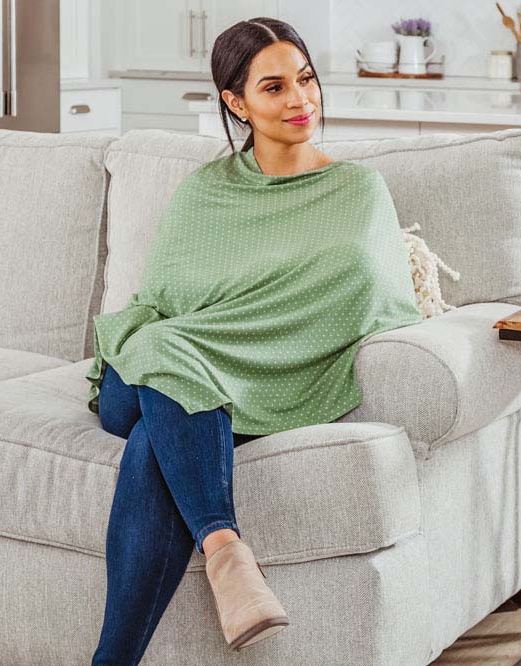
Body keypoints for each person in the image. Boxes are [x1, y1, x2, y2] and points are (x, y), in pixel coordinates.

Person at [85, 16, 424, 665]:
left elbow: (370, 292)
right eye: (274, 87)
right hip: (143, 375)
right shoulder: (205, 190)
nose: (301, 99)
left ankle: (127, 647)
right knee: (162, 352)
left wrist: (246, 343)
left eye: (306, 79)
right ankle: (228, 552)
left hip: (259, 382)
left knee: (153, 445)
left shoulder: (356, 189)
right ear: (236, 103)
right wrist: (197, 342)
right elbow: (158, 307)